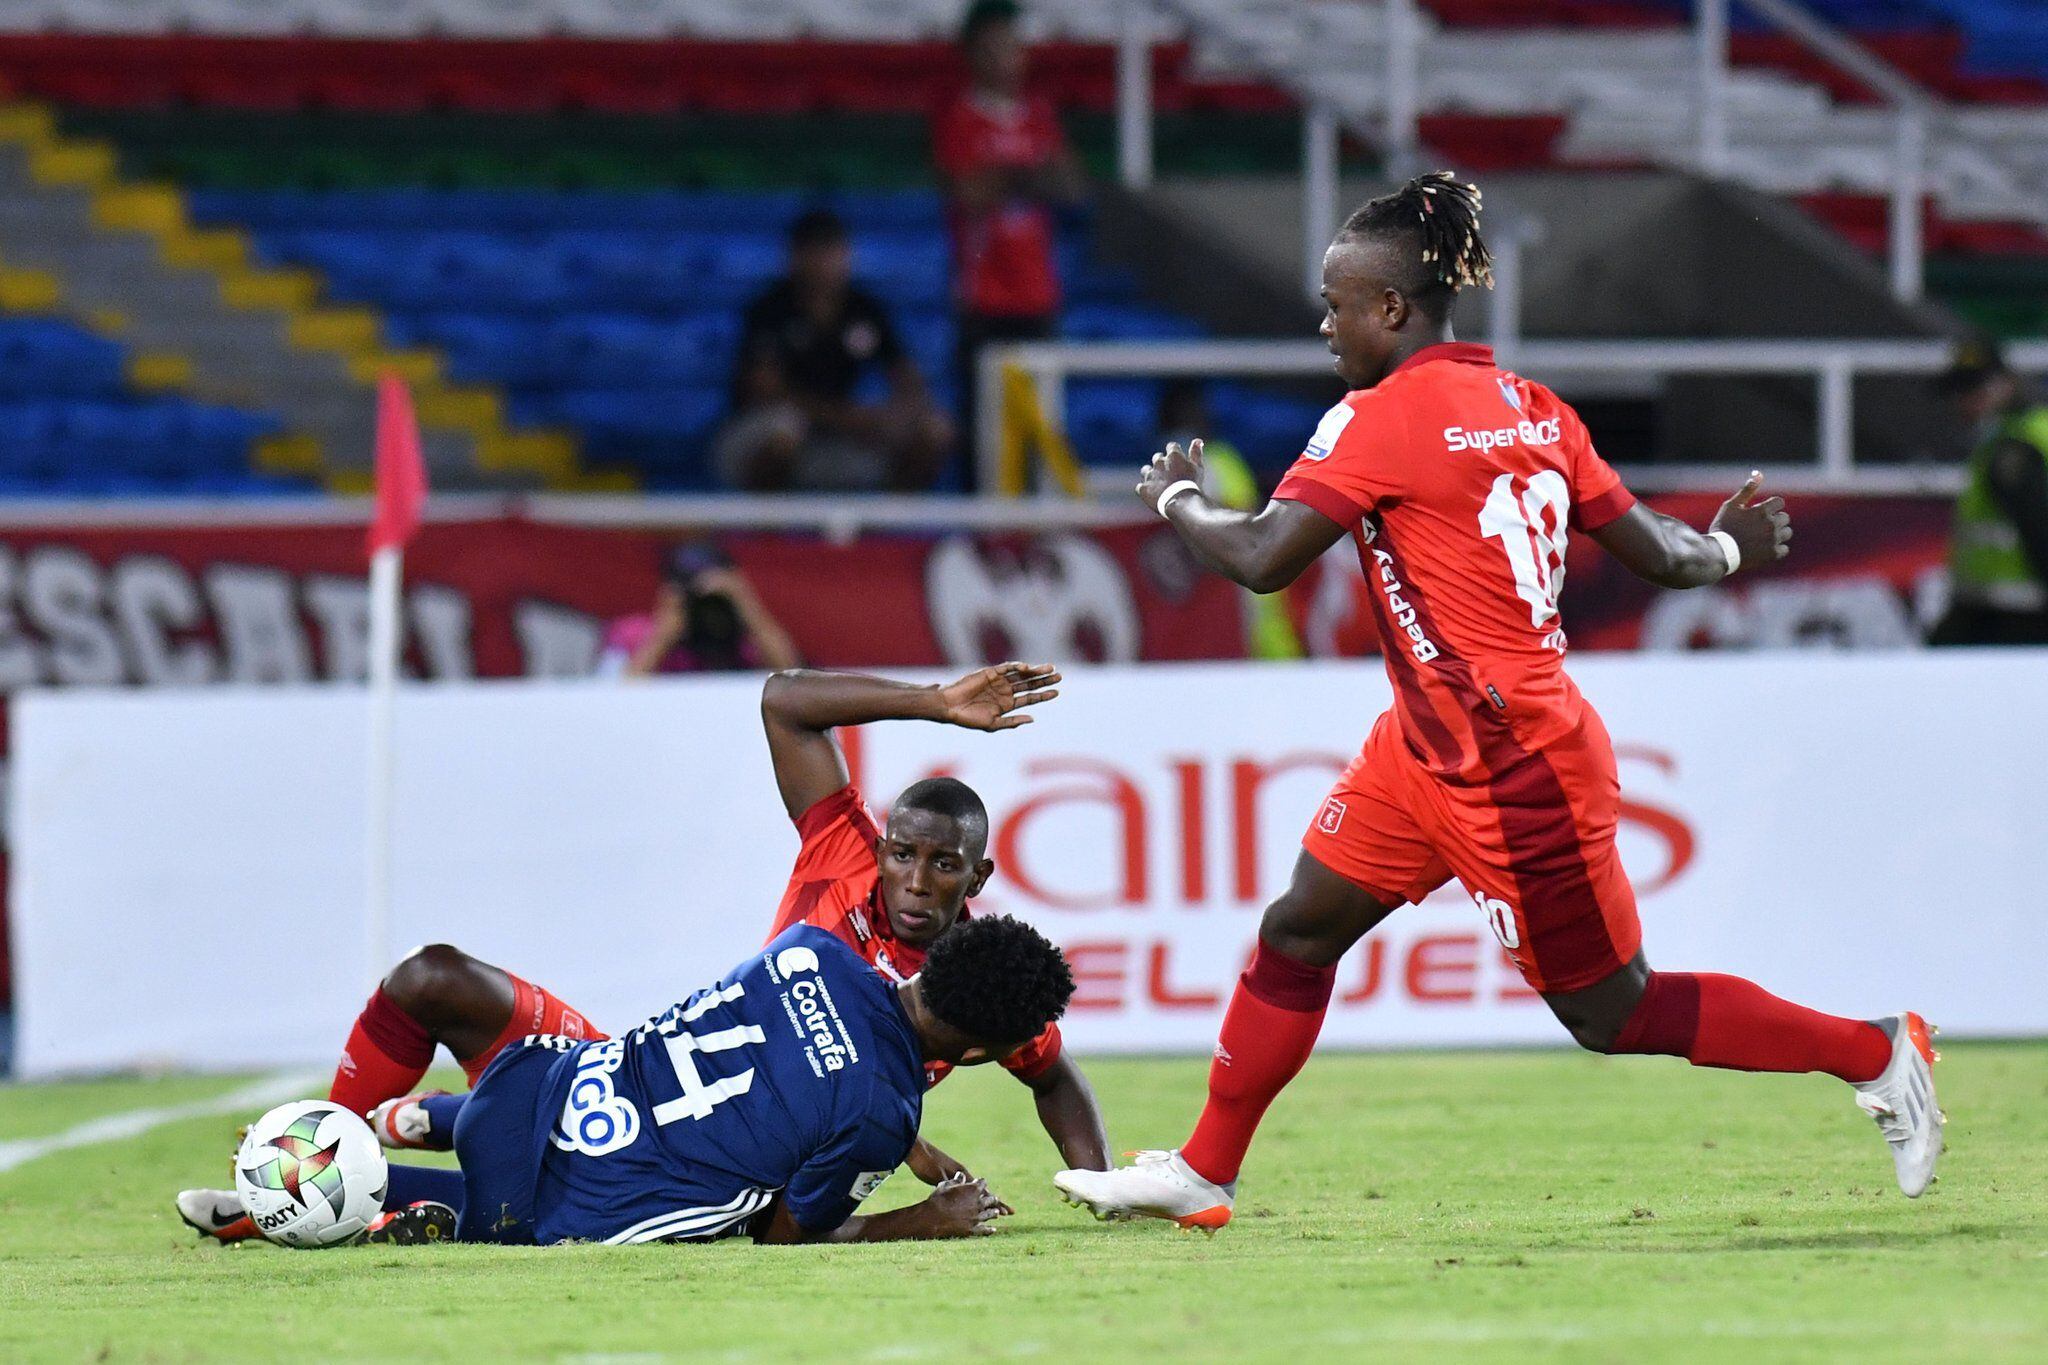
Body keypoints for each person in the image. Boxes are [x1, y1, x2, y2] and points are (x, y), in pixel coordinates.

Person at [1052, 173, 1942, 1233]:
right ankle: (1204, 1172)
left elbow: (1258, 560)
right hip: (1423, 748)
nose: (1324, 324)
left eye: (1336, 304)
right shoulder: (1533, 407)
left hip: (1510, 767)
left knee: (1613, 1013)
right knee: (1297, 930)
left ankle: (1877, 1051)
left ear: (1391, 309)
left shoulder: (1377, 419)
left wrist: (1175, 497)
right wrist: (1725, 545)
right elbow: (1657, 551)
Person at [177, 662, 1110, 1241]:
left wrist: (1095, 1182)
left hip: (723, 1140)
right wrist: (932, 702)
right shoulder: (842, 858)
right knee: (429, 977)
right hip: (636, 1066)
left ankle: (399, 1142)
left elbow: (1051, 1077)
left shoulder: (978, 984)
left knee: (514, 1173)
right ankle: (320, 1147)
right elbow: (784, 702)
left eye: (940, 866)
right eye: (901, 853)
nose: (911, 879)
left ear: (974, 879)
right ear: (883, 846)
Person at [934, 0, 1086, 485]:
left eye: (1013, 49)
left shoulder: (1039, 114)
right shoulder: (958, 117)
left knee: (1041, 427)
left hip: (1038, 296)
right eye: (994, 50)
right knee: (984, 432)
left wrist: (1012, 178)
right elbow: (967, 191)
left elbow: (1071, 186)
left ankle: (1033, 531)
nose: (1006, 60)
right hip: (984, 298)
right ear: (972, 55)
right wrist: (1027, 176)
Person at [713, 208, 953, 492]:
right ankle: (767, 529)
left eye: (832, 253)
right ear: (794, 258)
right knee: (784, 428)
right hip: (768, 436)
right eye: (814, 254)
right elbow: (764, 391)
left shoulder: (865, 310)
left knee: (935, 429)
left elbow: (907, 378)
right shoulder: (770, 310)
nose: (824, 265)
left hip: (842, 442)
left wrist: (896, 415)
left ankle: (890, 527)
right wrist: (845, 418)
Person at [1156, 380, 1304, 661]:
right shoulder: (1168, 466)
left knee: (1272, 652)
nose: (1195, 419)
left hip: (1244, 579)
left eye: (1196, 413)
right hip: (1212, 589)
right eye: (1184, 414)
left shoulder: (1221, 459)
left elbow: (1241, 513)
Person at [1929, 338, 2048, 645]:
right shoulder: (2010, 437)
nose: (1965, 401)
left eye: (1974, 389)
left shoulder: (2013, 449)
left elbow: (2041, 530)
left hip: (2018, 615)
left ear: (2006, 385)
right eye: (1960, 391)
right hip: (1992, 610)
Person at [598, 542, 802, 677]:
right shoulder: (629, 632)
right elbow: (609, 693)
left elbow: (789, 676)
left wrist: (747, 606)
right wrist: (663, 636)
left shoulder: (742, 638)